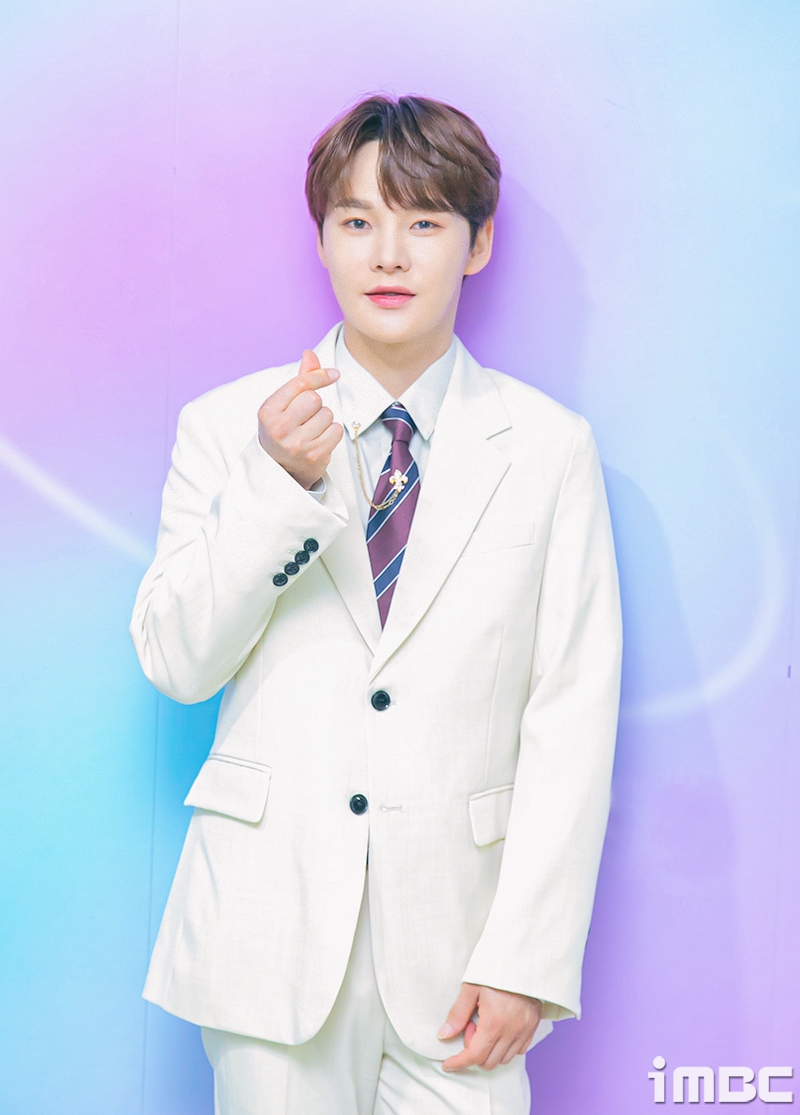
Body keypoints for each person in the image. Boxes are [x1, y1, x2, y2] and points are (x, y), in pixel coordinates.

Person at [130, 94, 622, 1115]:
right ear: (320, 239)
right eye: (357, 220)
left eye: (424, 221)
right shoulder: (228, 427)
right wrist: (275, 486)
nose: (388, 254)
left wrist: (527, 957)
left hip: (461, 956)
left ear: (477, 244)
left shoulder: (548, 448)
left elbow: (571, 715)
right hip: (267, 941)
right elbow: (177, 663)